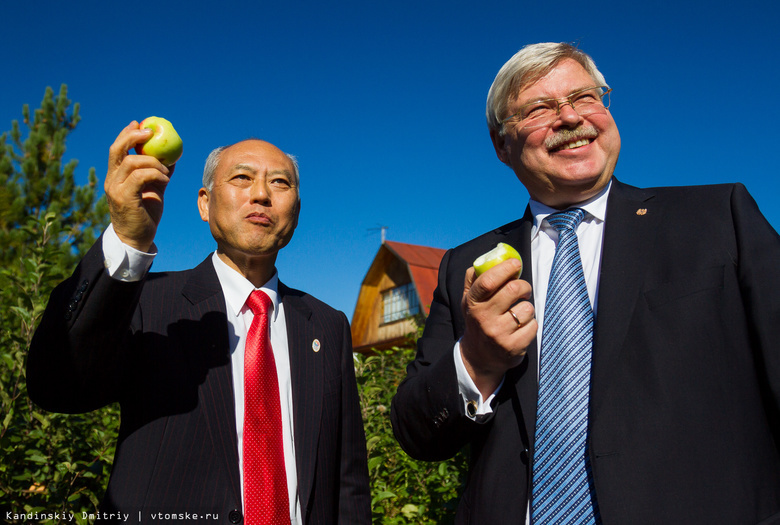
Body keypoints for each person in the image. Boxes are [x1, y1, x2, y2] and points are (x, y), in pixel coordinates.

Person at [390, 42, 780, 524]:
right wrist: (476, 361)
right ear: (502, 145)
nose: (571, 118)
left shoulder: (720, 220)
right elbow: (415, 432)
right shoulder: (465, 267)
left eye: (585, 97)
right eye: (539, 108)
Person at [27, 123, 371, 524]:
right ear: (204, 203)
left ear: (295, 211)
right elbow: (57, 386)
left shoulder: (327, 326)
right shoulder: (146, 301)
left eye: (280, 182)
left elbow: (347, 479)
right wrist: (127, 239)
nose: (261, 193)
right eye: (242, 177)